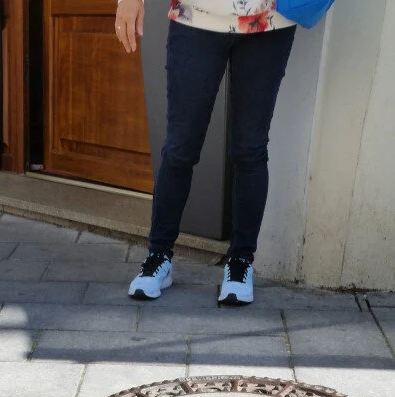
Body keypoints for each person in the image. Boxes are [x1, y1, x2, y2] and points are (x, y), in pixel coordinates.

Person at [118, 0, 297, 306]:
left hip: (269, 20)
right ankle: (159, 256)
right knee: (180, 147)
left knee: (250, 149)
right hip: (195, 17)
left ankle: (241, 262)